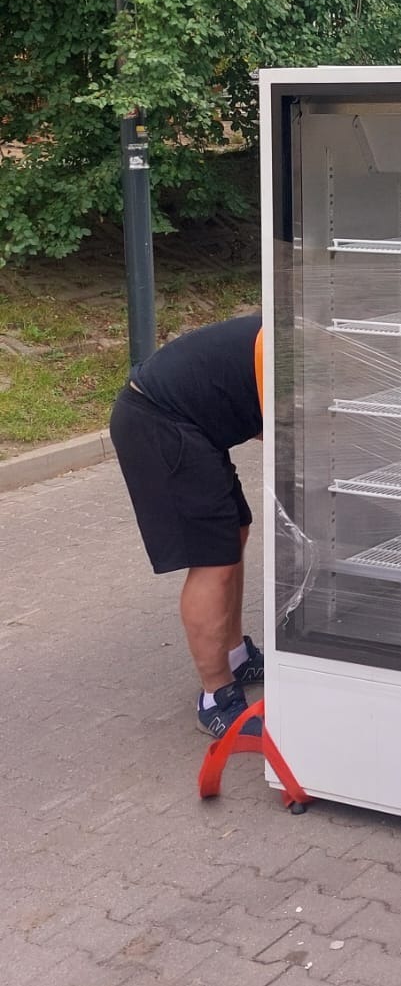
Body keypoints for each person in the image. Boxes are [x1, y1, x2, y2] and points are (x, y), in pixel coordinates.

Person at [109, 313, 265, 737]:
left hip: (188, 421)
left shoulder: (296, 332)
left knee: (234, 532)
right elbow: (289, 434)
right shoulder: (294, 348)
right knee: (212, 557)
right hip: (159, 422)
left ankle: (235, 655)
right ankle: (216, 696)